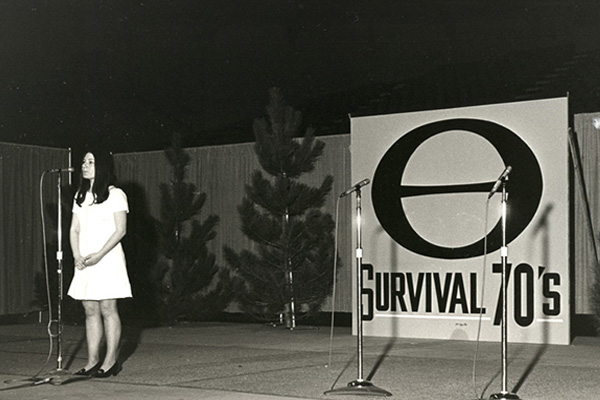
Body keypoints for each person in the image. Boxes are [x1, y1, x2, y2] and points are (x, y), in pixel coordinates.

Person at [67, 149, 131, 378]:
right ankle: (92, 360)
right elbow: (74, 229)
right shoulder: (80, 196)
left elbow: (120, 230)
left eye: (90, 162)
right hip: (85, 259)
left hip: (108, 258)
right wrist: (76, 255)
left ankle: (111, 360)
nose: (84, 165)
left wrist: (100, 255)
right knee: (90, 309)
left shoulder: (116, 195)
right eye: (84, 161)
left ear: (102, 166)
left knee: (107, 308)